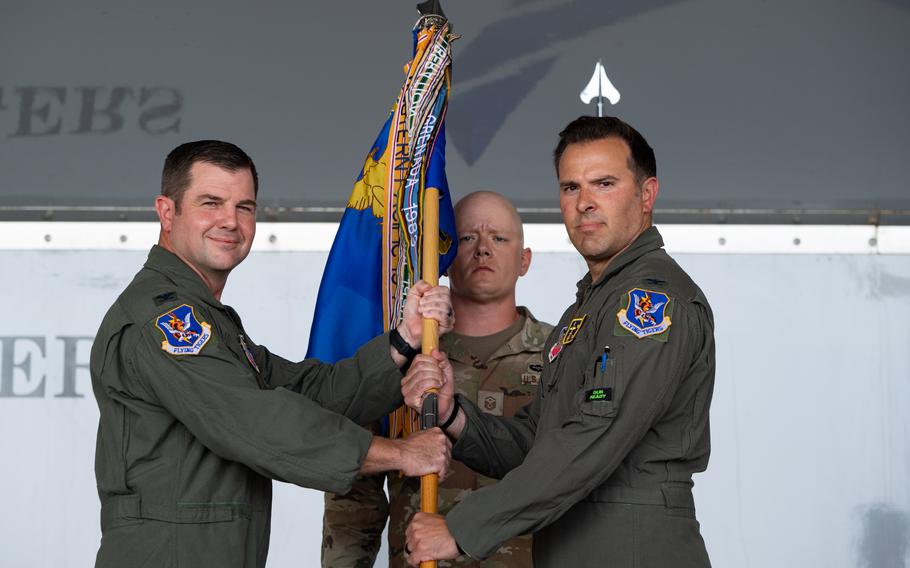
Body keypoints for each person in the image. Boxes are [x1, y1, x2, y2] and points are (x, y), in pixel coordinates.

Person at [90, 140, 454, 568]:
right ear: (167, 212)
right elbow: (258, 423)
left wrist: (403, 341)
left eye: (245, 207)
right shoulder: (166, 318)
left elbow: (305, 391)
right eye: (211, 203)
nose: (230, 221)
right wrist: (399, 453)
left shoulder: (210, 320)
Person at [402, 116, 716, 567]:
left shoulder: (651, 301)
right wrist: (454, 416)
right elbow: (539, 442)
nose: (585, 203)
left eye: (603, 183)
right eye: (571, 187)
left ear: (646, 195)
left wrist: (460, 528)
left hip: (632, 549)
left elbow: (592, 439)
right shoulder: (588, 309)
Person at [322, 191, 554, 568]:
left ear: (524, 260)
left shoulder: (561, 355)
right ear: (445, 258)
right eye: (467, 238)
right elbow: (354, 495)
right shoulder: (401, 359)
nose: (482, 250)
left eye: (499, 238)